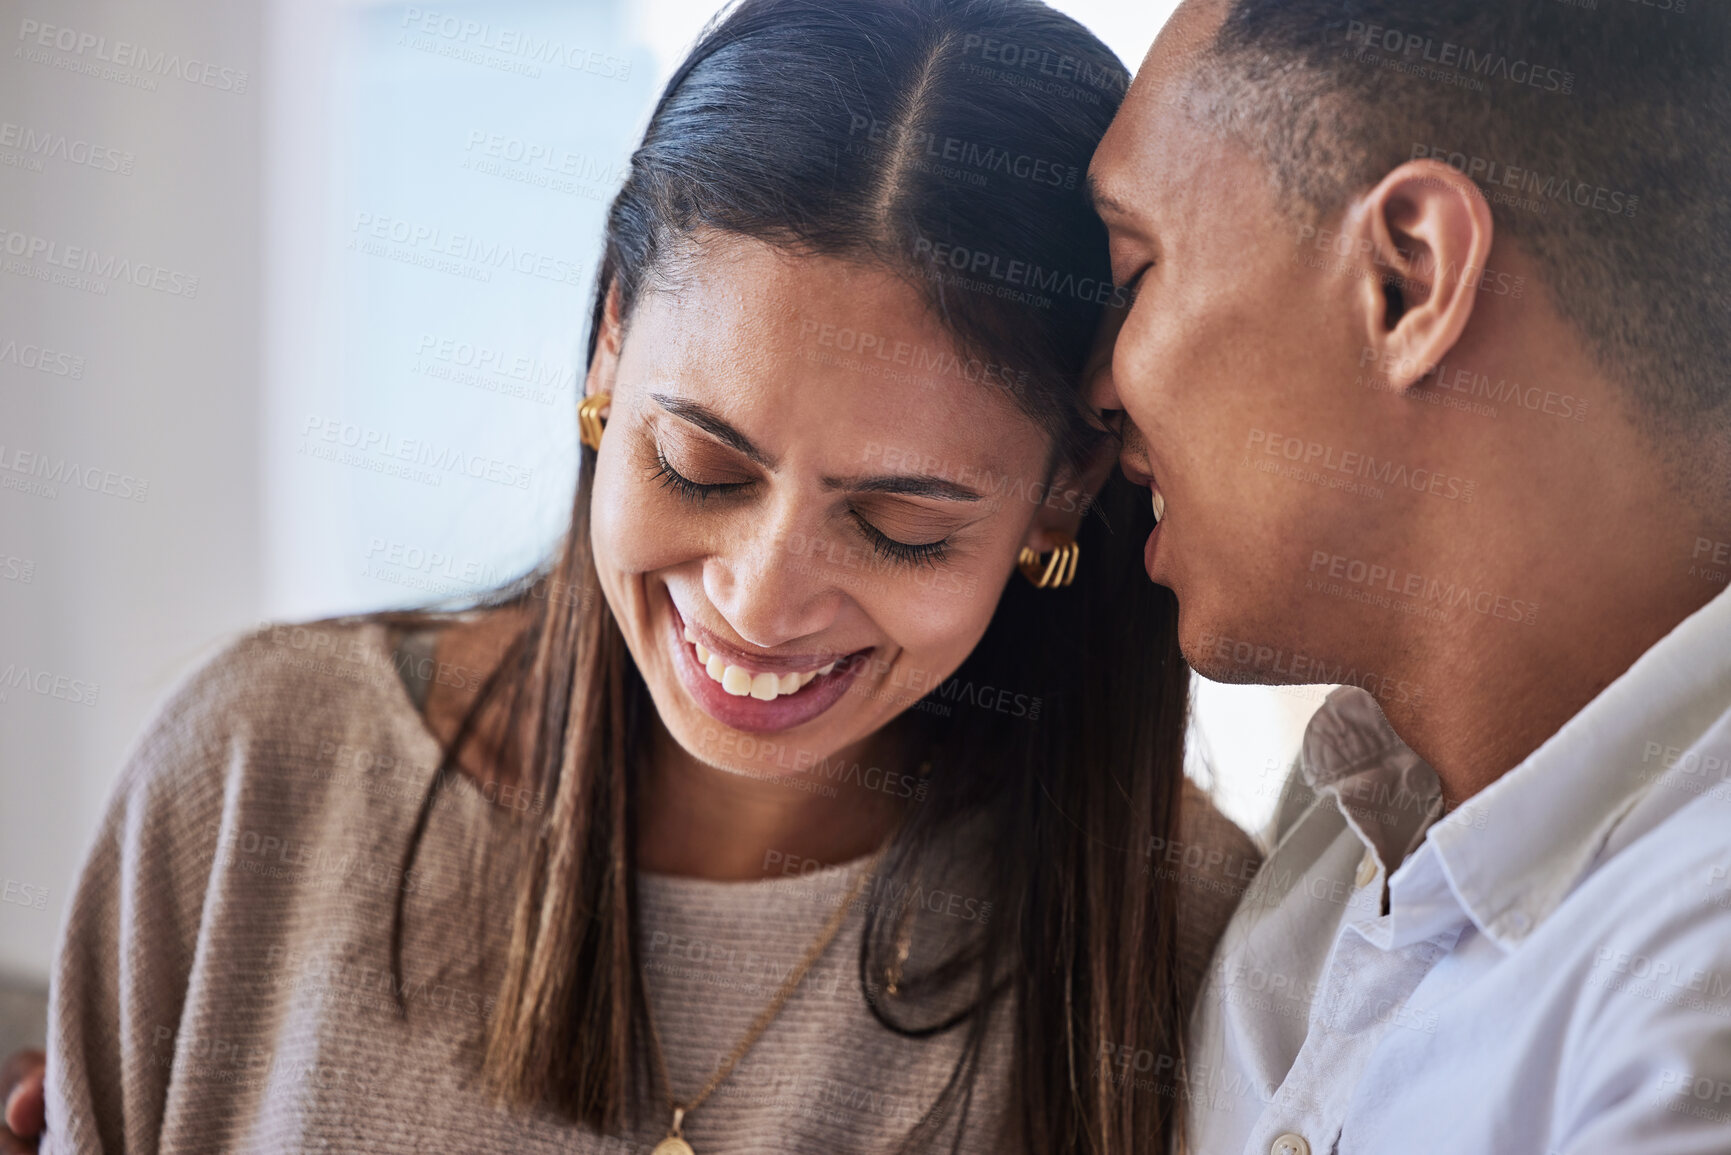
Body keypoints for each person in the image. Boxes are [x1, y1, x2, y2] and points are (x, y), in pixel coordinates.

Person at [24, 1, 1259, 1153]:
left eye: (898, 525)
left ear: (1067, 487)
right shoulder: (265, 777)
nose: (761, 604)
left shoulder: (1186, 935)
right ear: (614, 331)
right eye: (702, 464)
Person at [1086, 0, 1731, 1151]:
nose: (1095, 390)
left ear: (1407, 279)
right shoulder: (1339, 840)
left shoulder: (1687, 1002)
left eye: (1135, 272)